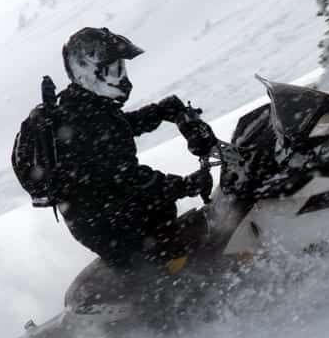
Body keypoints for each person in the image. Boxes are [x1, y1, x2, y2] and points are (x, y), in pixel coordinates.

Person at [53, 27, 218, 276]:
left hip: (104, 216)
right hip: (111, 228)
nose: (122, 77)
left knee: (160, 208)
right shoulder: (83, 117)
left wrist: (161, 111)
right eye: (115, 69)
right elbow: (130, 179)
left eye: (122, 68)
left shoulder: (83, 105)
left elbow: (119, 129)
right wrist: (186, 185)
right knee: (161, 213)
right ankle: (181, 286)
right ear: (87, 72)